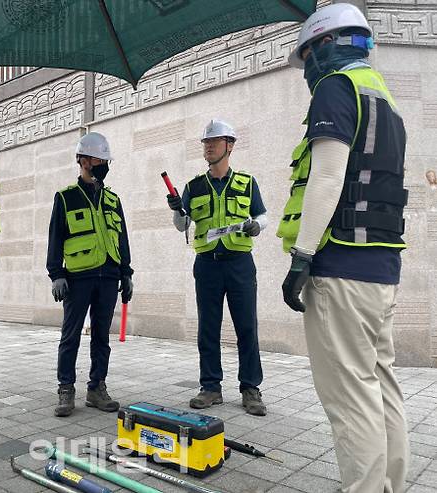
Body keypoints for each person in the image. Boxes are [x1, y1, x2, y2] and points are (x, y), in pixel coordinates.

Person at [278, 4, 409, 492]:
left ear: (324, 45)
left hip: (340, 271)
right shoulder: (384, 98)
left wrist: (302, 258)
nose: (307, 65)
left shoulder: (336, 88)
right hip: (382, 271)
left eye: (307, 53)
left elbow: (329, 176)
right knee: (382, 388)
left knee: (350, 400)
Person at [167, 119, 267, 416]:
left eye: (214, 141)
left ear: (230, 145)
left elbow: (263, 215)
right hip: (207, 265)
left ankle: (250, 388)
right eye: (205, 143)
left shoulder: (246, 183)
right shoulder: (194, 186)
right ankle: (210, 387)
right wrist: (176, 210)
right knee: (208, 327)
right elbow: (183, 225)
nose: (208, 146)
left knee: (246, 326)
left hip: (240, 263)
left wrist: (255, 226)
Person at [47, 132, 133, 417]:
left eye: (105, 160)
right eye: (98, 159)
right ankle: (66, 388)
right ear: (83, 160)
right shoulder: (66, 198)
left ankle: (97, 387)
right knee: (70, 335)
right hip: (78, 277)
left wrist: (126, 273)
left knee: (101, 336)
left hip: (108, 276)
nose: (103, 164)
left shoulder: (112, 199)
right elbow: (55, 238)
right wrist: (56, 274)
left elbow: (122, 238)